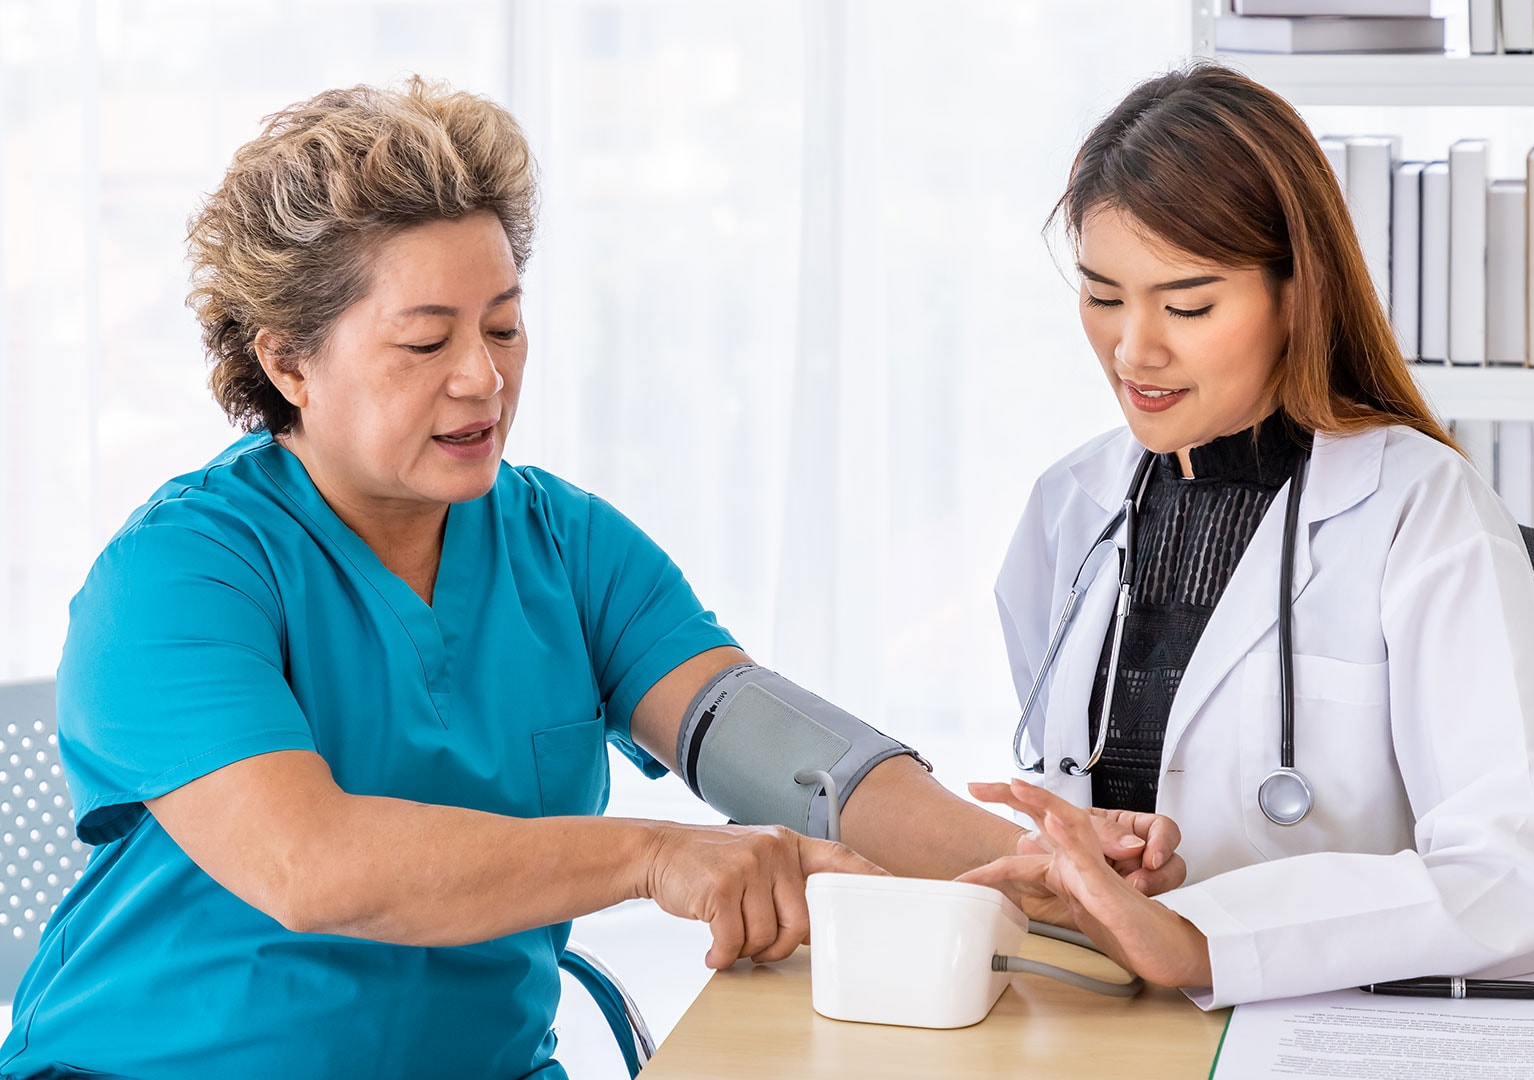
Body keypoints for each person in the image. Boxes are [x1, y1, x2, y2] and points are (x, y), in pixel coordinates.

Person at [0, 80, 1182, 1078]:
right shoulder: (178, 577)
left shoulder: (560, 544)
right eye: (425, 343)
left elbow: (771, 749)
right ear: (286, 360)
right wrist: (651, 855)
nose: (482, 380)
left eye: (504, 327)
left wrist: (1035, 874)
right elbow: (313, 869)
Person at [960, 64, 1534, 1009]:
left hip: (1328, 1032)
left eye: (1186, 306)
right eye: (1103, 296)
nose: (1134, 349)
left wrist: (1203, 940)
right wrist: (1089, 868)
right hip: (1105, 1022)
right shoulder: (1071, 504)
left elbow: (1527, 874)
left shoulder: (1420, 511)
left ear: (1296, 295)